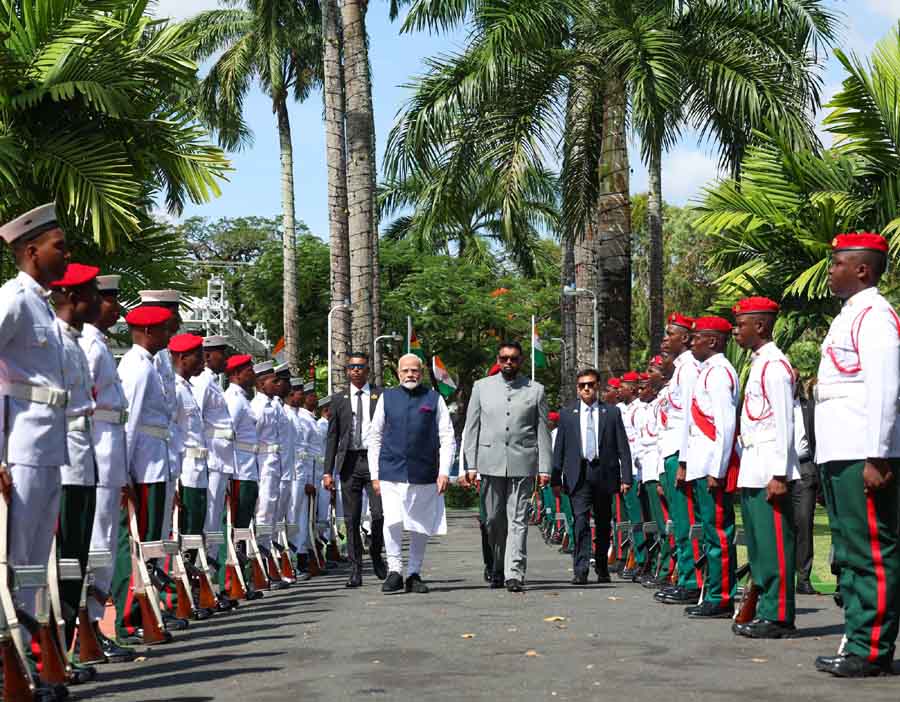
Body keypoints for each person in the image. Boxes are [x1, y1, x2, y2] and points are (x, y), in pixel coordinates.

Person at [813, 232, 900, 677]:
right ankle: (858, 639)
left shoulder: (876, 316)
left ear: (862, 269)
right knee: (850, 550)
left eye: (837, 263)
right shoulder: (849, 315)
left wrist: (879, 455)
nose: (830, 270)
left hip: (861, 452)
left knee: (871, 552)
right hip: (839, 451)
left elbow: (885, 387)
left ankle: (871, 650)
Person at [0, 203, 69, 658]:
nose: (66, 255)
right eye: (58, 246)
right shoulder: (13, 299)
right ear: (31, 250)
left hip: (47, 448)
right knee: (15, 557)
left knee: (33, 562)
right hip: (21, 448)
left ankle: (28, 657)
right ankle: (11, 654)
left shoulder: (41, 307)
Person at [732, 297, 800, 638]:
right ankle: (766, 609)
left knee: (775, 545)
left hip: (769, 469)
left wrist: (779, 474)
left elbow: (784, 424)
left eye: (741, 324)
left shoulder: (775, 366)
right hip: (753, 466)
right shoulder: (759, 363)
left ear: (760, 326)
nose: (735, 330)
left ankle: (779, 615)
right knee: (759, 546)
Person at [463, 340, 552, 593]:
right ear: (498, 360)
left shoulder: (535, 390)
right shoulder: (481, 387)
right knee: (492, 520)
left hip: (523, 463)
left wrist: (545, 467)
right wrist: (470, 465)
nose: (508, 362)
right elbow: (471, 428)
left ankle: (515, 572)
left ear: (521, 360)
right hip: (489, 463)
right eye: (504, 358)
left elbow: (543, 432)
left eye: (513, 358)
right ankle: (497, 566)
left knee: (518, 519)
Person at [80, 273, 136, 662]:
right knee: (96, 547)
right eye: (108, 300)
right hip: (94, 455)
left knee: (104, 546)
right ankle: (90, 628)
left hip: (108, 456)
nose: (115, 307)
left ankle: (96, 628)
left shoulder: (98, 344)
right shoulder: (87, 344)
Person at [49, 263, 101, 675]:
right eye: (93, 294)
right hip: (61, 461)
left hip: (81, 460)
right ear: (73, 298)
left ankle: (58, 651)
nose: (99, 303)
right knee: (59, 560)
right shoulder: (54, 341)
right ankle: (46, 650)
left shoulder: (75, 342)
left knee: (74, 560)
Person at [367, 354, 455, 594]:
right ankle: (395, 571)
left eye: (414, 371)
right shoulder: (387, 397)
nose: (410, 375)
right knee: (392, 521)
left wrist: (444, 471)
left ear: (421, 373)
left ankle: (414, 573)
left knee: (419, 524)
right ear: (397, 373)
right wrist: (375, 473)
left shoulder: (434, 398)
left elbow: (447, 437)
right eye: (405, 370)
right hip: (391, 471)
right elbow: (374, 437)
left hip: (424, 472)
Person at [113, 304, 175, 643]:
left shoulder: (149, 365)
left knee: (152, 544)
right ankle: (130, 616)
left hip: (155, 462)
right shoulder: (137, 368)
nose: (169, 335)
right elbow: (129, 425)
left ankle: (149, 607)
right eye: (164, 329)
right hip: (142, 467)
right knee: (139, 544)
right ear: (148, 332)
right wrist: (125, 475)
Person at [678, 316, 739, 619]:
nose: (690, 342)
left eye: (696, 337)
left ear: (713, 341)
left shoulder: (718, 373)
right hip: (702, 465)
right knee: (709, 533)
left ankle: (723, 596)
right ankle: (712, 592)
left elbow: (725, 425)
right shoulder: (707, 372)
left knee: (719, 533)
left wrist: (718, 468)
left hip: (712, 465)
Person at [551, 367, 631, 584]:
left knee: (604, 523)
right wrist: (555, 478)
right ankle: (581, 569)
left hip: (603, 474)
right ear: (577, 389)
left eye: (590, 384)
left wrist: (626, 477)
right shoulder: (567, 414)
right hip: (578, 474)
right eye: (582, 385)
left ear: (598, 387)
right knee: (580, 521)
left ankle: (603, 567)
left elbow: (622, 446)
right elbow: (559, 448)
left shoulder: (612, 413)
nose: (586, 389)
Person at [323, 352, 387, 588]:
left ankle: (377, 554)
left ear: (368, 370)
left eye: (361, 367)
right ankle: (356, 568)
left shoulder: (381, 396)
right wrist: (327, 471)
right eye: (352, 367)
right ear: (347, 371)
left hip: (374, 461)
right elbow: (332, 437)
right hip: (349, 461)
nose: (356, 370)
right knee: (351, 518)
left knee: (379, 514)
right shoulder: (338, 400)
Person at [655, 313, 702, 605]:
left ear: (684, 338)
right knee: (679, 520)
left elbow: (689, 418)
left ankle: (693, 581)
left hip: (681, 453)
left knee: (686, 521)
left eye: (670, 333)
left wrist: (684, 460)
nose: (664, 339)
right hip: (671, 452)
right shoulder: (679, 371)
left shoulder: (690, 370)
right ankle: (686, 577)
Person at [169, 333, 213, 620]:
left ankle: (192, 594)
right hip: (184, 472)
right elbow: (172, 436)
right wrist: (174, 478)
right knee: (184, 536)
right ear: (183, 358)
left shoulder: (188, 388)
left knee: (195, 535)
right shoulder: (174, 389)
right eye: (198, 355)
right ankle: (181, 597)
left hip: (198, 472)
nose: (203, 360)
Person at [193, 334, 238, 608]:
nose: (226, 358)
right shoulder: (202, 382)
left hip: (219, 463)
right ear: (208, 355)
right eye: (222, 352)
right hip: (208, 463)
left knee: (214, 528)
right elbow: (195, 423)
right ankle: (204, 587)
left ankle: (213, 586)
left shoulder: (212, 382)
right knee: (207, 527)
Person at [222, 354, 263, 599]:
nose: (253, 375)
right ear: (236, 374)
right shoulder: (234, 400)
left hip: (248, 470)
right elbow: (229, 437)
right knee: (236, 528)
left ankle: (242, 579)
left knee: (243, 528)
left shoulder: (242, 399)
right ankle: (234, 580)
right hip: (239, 471)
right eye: (249, 371)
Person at [249, 360, 288, 589]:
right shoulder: (257, 407)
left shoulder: (273, 406)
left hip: (274, 465)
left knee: (271, 515)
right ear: (262, 383)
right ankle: (260, 565)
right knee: (263, 514)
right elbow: (251, 442)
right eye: (274, 381)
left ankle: (267, 562)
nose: (278, 384)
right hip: (262, 466)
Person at [791, 369, 819, 595]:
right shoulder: (769, 408)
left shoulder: (809, 407)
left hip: (805, 468)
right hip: (778, 471)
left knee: (804, 523)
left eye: (795, 379)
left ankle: (803, 577)